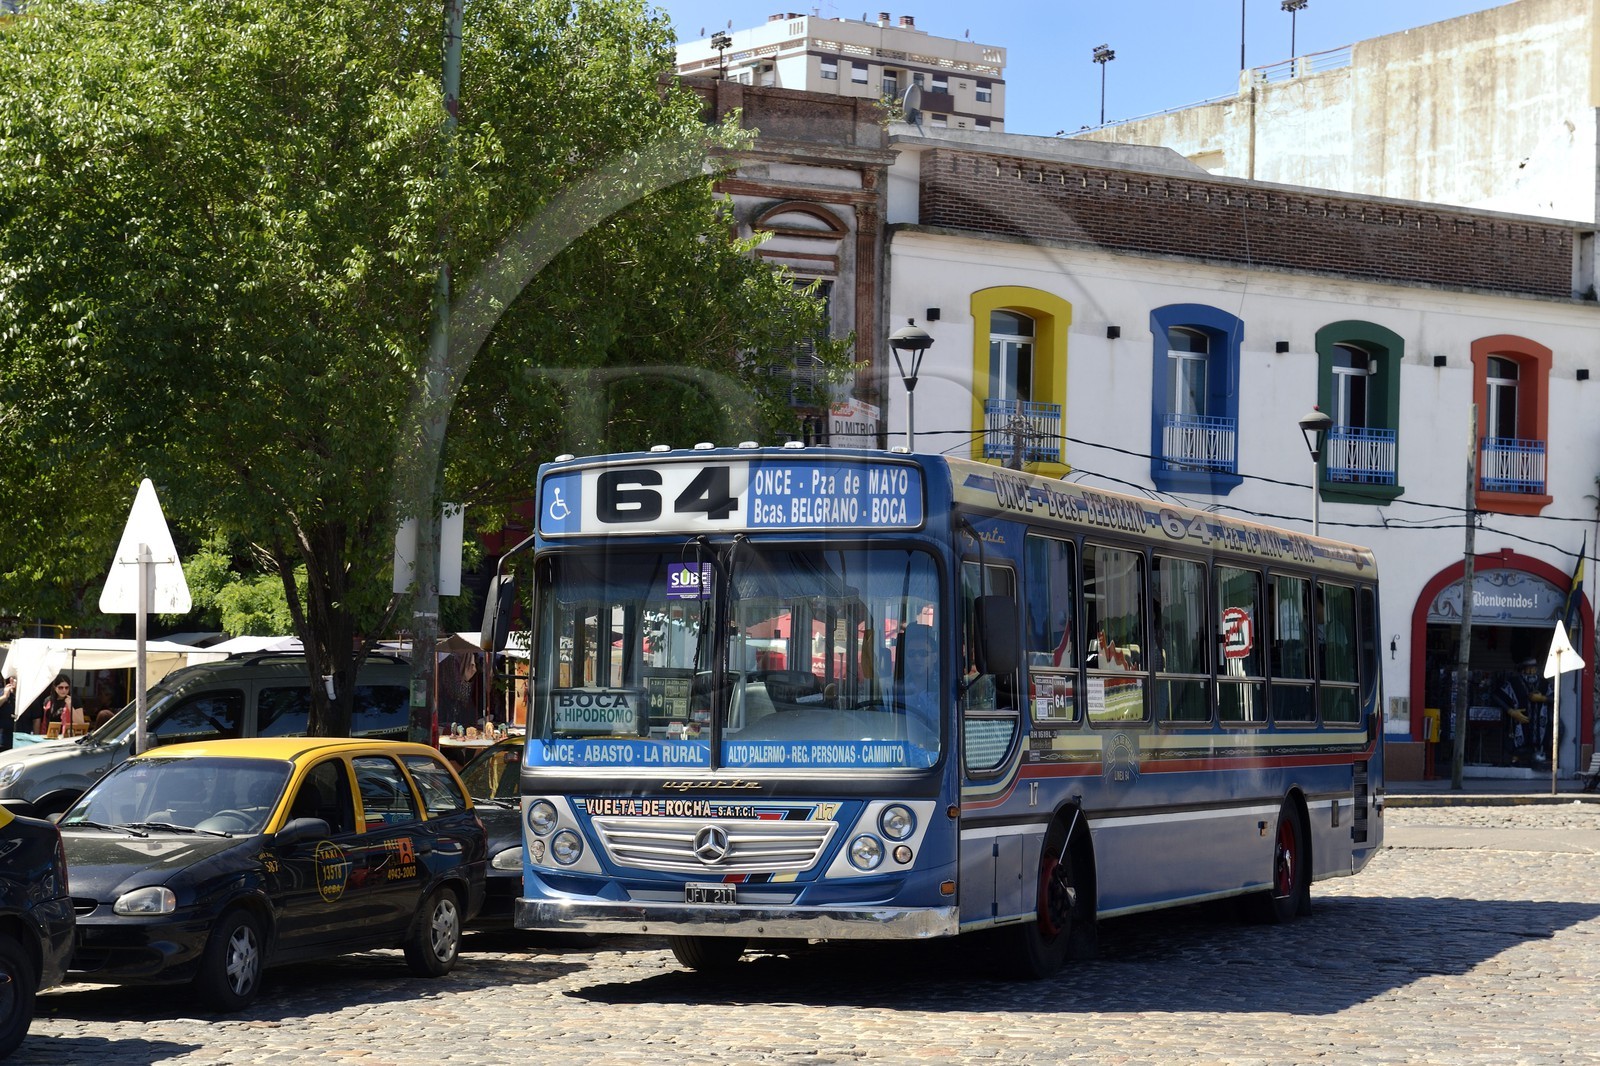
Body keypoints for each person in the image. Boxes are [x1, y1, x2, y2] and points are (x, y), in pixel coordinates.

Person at [0, 670, 16, 751]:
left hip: (22, 740)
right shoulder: (2, 692)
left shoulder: (29, 697)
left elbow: (36, 720)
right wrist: (5, 696)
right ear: (11, 680)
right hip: (2, 740)